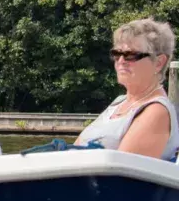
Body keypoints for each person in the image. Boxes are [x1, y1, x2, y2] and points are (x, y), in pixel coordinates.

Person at [75, 18, 179, 160]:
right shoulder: (119, 103)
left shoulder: (156, 111)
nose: (121, 61)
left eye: (131, 55)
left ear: (159, 63)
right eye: (117, 54)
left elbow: (120, 174)